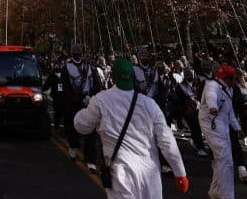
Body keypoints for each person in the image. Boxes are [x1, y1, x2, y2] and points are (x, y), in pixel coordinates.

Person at [74, 58, 189, 199]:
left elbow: (82, 127)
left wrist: (83, 109)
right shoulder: (150, 104)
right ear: (133, 77)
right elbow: (167, 142)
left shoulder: (100, 100)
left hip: (122, 174)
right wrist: (180, 173)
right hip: (150, 174)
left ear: (112, 77)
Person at [199, 64, 240, 199]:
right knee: (225, 159)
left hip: (222, 126)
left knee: (221, 159)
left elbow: (230, 111)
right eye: (234, 78)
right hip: (211, 124)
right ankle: (226, 195)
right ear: (227, 78)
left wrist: (237, 128)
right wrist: (212, 107)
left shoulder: (228, 89)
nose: (236, 80)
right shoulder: (212, 85)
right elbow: (211, 96)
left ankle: (215, 190)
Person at [62, 44, 97, 165]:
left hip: (88, 100)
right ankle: (73, 147)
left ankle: (89, 156)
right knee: (74, 126)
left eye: (79, 51)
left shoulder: (89, 66)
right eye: (74, 51)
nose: (77, 53)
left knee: (90, 128)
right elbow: (66, 87)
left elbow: (95, 82)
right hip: (74, 101)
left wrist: (92, 96)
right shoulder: (66, 67)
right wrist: (75, 98)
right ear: (71, 53)